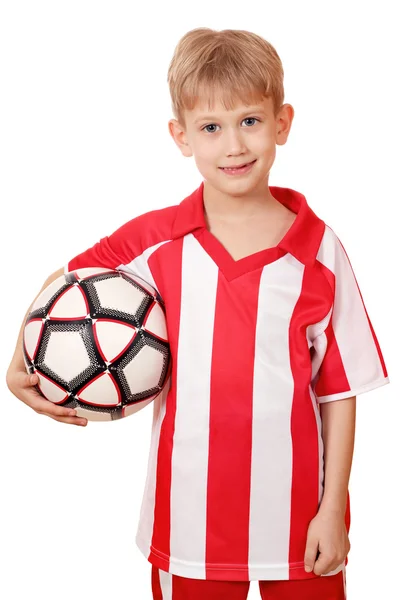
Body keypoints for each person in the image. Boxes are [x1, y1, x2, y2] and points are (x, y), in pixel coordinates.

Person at [6, 27, 389, 600]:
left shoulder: (319, 249)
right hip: (187, 518)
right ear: (181, 136)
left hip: (299, 517)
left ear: (282, 123)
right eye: (211, 127)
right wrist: (21, 362)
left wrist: (334, 509)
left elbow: (338, 392)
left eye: (250, 121)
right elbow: (67, 288)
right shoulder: (157, 241)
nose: (233, 145)